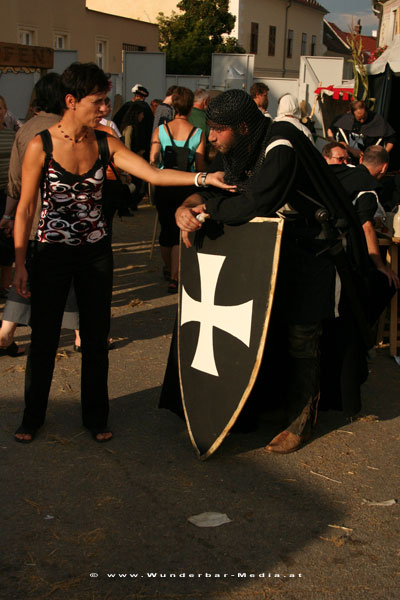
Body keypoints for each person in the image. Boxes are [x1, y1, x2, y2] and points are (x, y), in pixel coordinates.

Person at [13, 63, 233, 444]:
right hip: (50, 253)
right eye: (97, 102)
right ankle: (32, 416)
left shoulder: (103, 142)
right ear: (71, 101)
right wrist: (20, 263)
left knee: (97, 339)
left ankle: (96, 417)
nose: (104, 108)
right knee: (45, 339)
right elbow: (26, 208)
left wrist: (202, 178)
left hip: (95, 255)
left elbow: (153, 173)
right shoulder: (41, 145)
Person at [174, 89, 373, 454]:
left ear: (244, 126)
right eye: (210, 128)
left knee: (302, 333)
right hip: (279, 244)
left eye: (218, 129)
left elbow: (254, 202)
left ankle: (301, 420)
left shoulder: (282, 144)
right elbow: (231, 190)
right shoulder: (243, 146)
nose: (211, 137)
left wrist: (206, 212)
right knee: (267, 327)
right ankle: (262, 407)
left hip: (316, 246)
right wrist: (188, 206)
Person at [0, 74, 62, 357]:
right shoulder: (66, 128)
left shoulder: (25, 131)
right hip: (63, 216)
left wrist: (8, 214)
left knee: (23, 274)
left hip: (29, 215)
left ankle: (6, 331)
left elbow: (14, 182)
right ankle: (79, 334)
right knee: (71, 277)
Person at [150, 86, 206, 293]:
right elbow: (200, 167)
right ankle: (175, 276)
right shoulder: (197, 133)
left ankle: (167, 269)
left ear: (173, 107)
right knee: (180, 231)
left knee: (166, 230)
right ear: (191, 108)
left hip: (164, 183)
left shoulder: (160, 131)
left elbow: (153, 159)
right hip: (186, 185)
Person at [323, 144, 399, 289]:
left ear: (362, 159)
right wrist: (380, 265)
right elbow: (366, 226)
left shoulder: (342, 172)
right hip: (342, 253)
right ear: (384, 167)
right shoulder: (368, 186)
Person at [327, 100, 396, 161]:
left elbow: (391, 139)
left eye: (364, 117)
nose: (362, 121)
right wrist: (352, 150)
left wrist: (383, 155)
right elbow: (332, 132)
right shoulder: (345, 120)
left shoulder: (377, 120)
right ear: (353, 114)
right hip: (349, 159)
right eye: (359, 119)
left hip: (371, 160)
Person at [0, 96, 17, 300]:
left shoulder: (12, 135)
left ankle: (4, 285)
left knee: (6, 242)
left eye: (1, 108)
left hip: (7, 192)